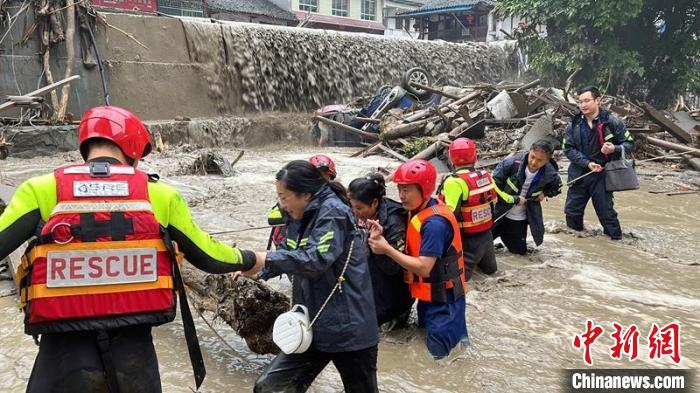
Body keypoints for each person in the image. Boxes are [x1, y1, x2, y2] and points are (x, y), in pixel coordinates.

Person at [0, 106, 259, 393]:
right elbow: (208, 256)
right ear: (134, 150)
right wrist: (248, 258)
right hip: (135, 361)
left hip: (61, 360)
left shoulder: (40, 189)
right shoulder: (159, 194)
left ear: (85, 146)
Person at [243, 160, 378, 393]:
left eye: (284, 197)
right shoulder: (298, 215)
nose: (281, 204)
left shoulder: (333, 212)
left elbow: (316, 260)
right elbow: (287, 252)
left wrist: (264, 258)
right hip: (311, 326)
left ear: (305, 194)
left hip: (348, 330)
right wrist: (255, 270)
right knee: (269, 387)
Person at [367, 159, 468, 359]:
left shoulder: (434, 225)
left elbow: (424, 268)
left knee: (442, 359)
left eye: (407, 190)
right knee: (429, 351)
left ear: (424, 189)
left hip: (445, 302)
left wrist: (387, 249)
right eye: (400, 189)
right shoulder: (422, 208)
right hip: (428, 298)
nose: (401, 196)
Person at [563, 86, 635, 240]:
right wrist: (587, 163)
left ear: (597, 101)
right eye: (580, 102)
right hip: (580, 173)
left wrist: (614, 148)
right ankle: (575, 246)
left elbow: (629, 144)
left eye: (587, 101)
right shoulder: (573, 124)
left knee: (606, 214)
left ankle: (616, 243)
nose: (583, 105)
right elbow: (568, 149)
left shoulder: (613, 122)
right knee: (572, 213)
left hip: (603, 175)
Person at [348, 173, 413, 329]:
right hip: (372, 286)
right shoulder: (362, 214)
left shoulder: (393, 222)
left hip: (394, 292)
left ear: (375, 203)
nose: (355, 212)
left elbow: (392, 268)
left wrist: (378, 247)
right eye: (352, 207)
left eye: (359, 208)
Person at [439, 138, 502, 280]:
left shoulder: (454, 181)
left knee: (459, 282)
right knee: (491, 274)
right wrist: (518, 199)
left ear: (451, 158)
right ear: (475, 156)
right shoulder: (486, 176)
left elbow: (450, 213)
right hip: (487, 238)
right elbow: (504, 198)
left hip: (467, 242)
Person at [491, 140, 563, 255]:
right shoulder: (511, 163)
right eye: (532, 157)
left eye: (540, 160)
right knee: (480, 249)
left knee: (519, 254)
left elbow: (557, 188)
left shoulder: (551, 174)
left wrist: (544, 193)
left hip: (518, 219)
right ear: (529, 152)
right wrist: (513, 199)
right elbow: (492, 185)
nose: (534, 162)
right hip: (498, 213)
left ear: (547, 161)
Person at [267, 154, 338, 249]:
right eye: (318, 177)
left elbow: (316, 257)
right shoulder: (294, 206)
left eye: (325, 177)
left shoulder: (332, 210)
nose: (321, 182)